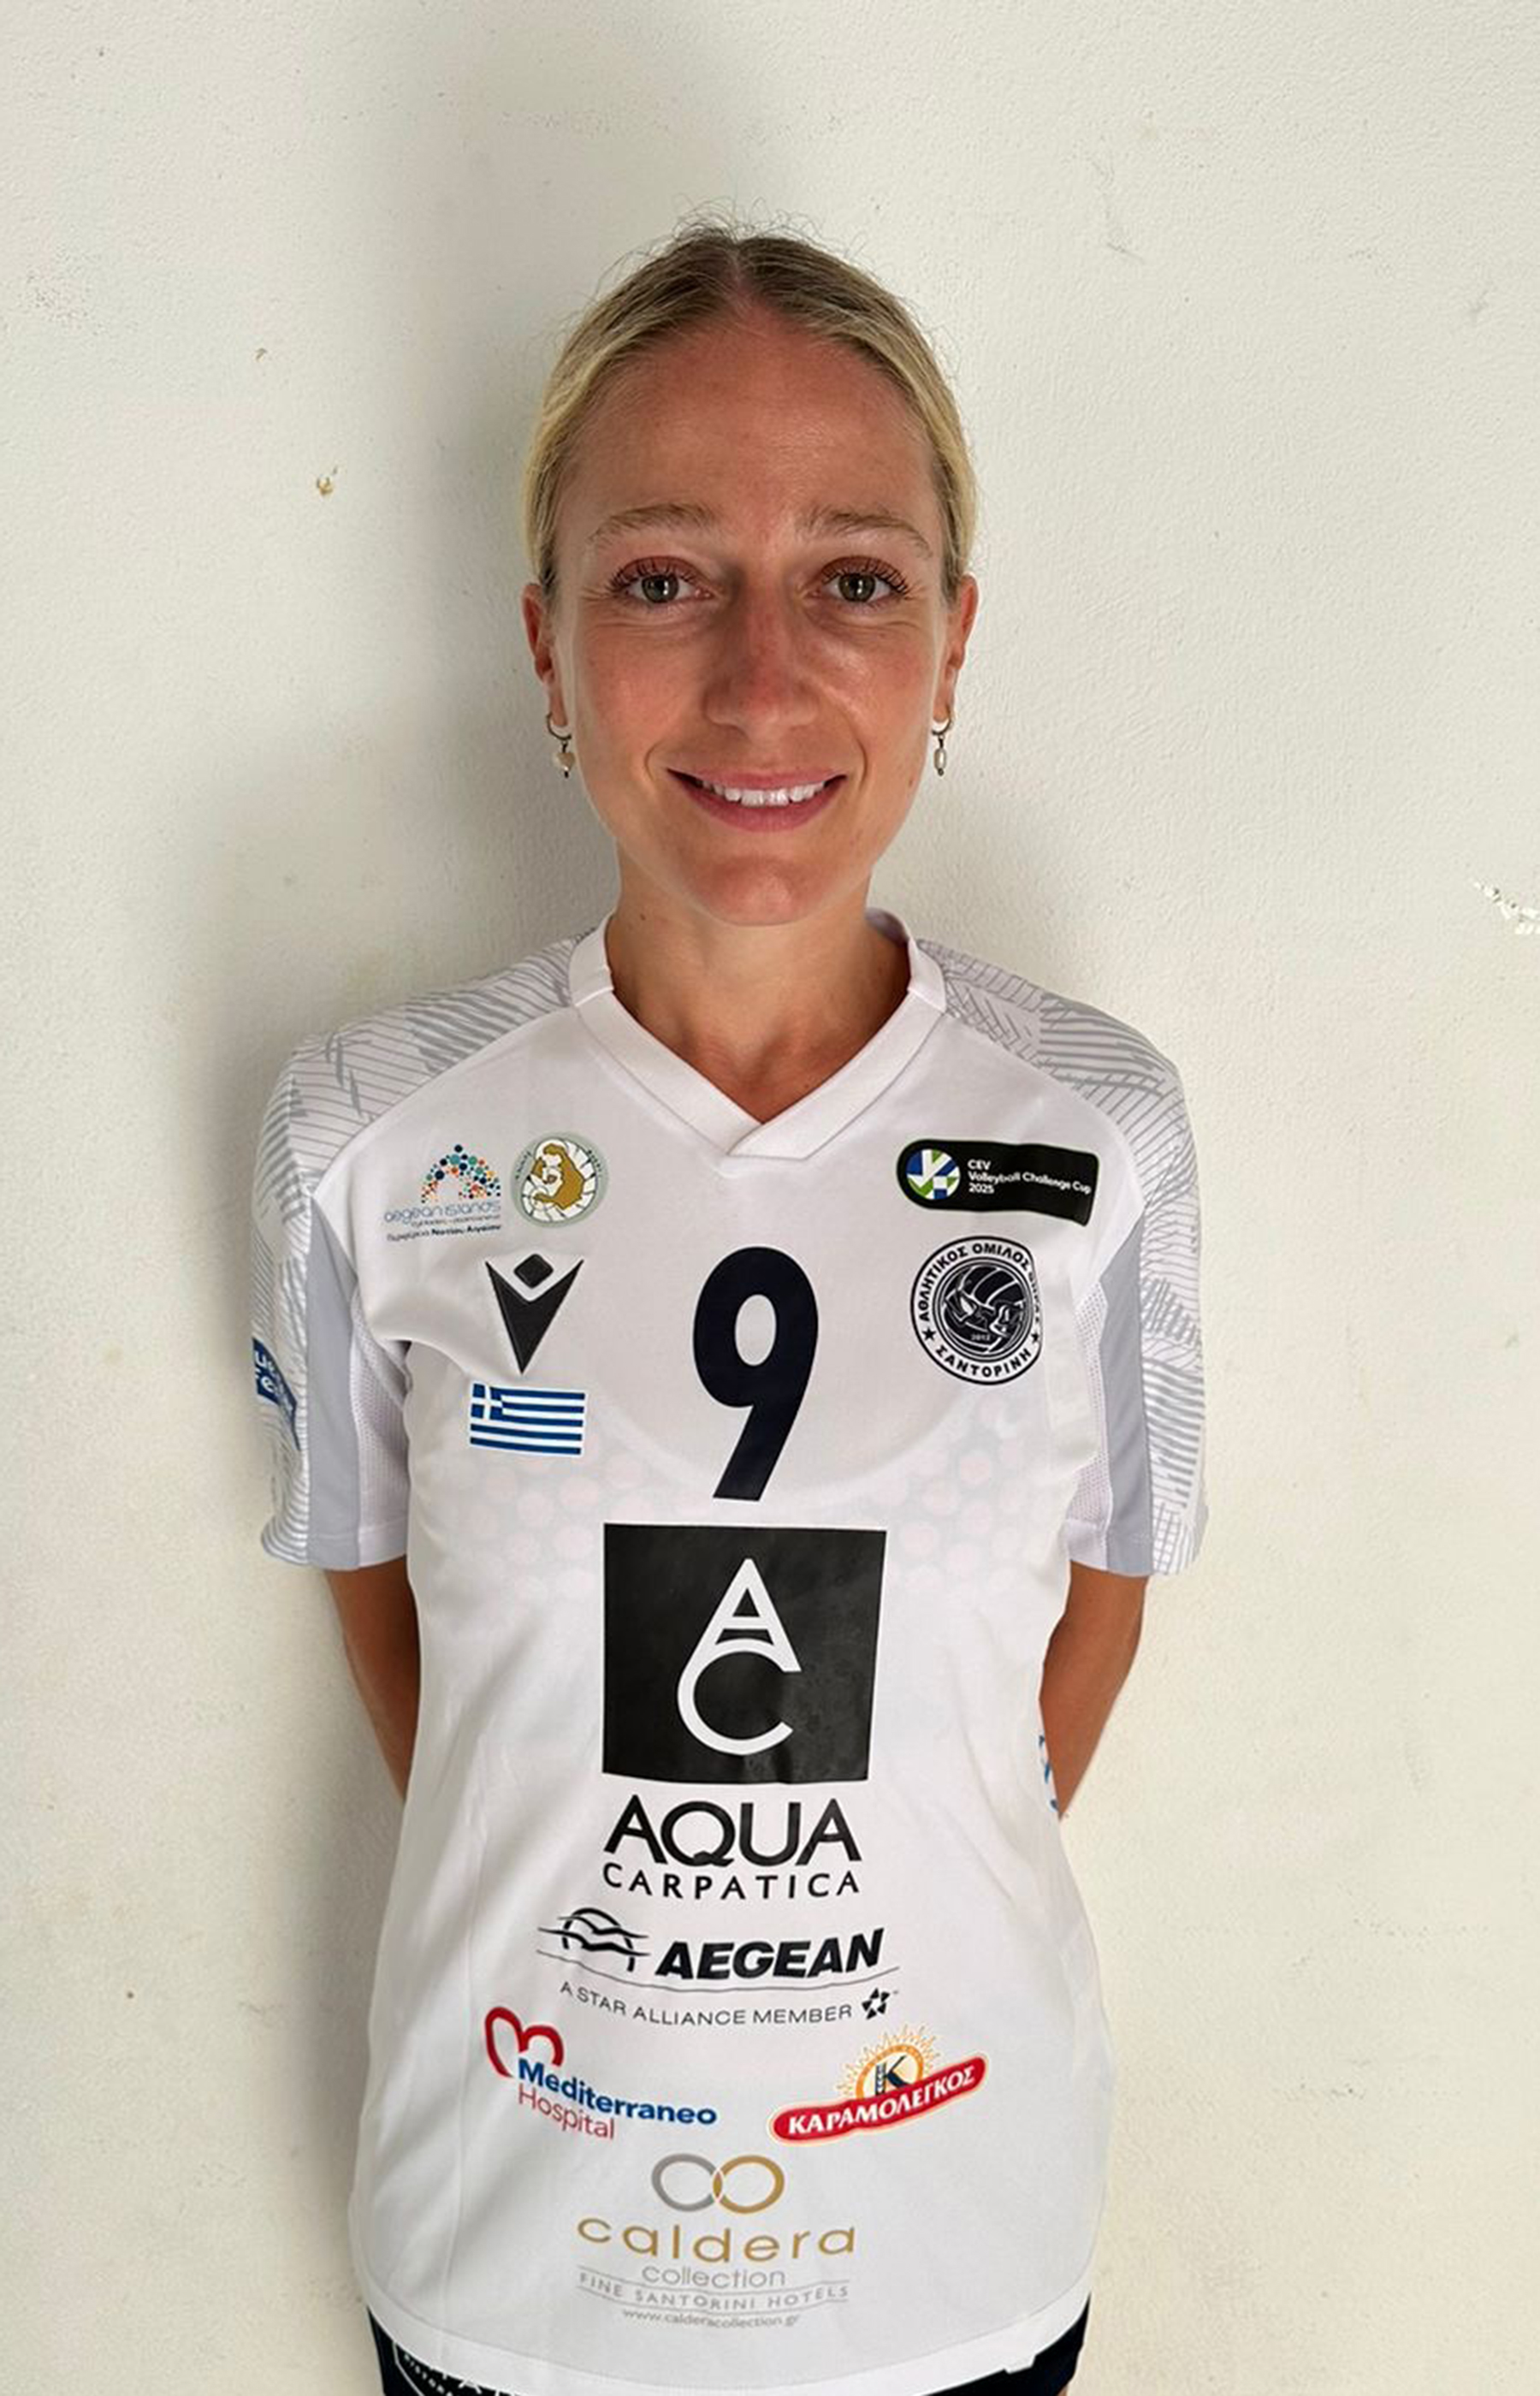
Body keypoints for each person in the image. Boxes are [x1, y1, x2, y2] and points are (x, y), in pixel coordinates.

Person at [248, 213, 1208, 2396]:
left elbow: (1103, 1606)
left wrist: (849, 1946)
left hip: (950, 2261)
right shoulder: (368, 1129)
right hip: (515, 2269)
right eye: (665, 577)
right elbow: (401, 1640)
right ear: (546, 639)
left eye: (854, 579)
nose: (764, 682)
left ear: (952, 639)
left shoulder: (1101, 1124)